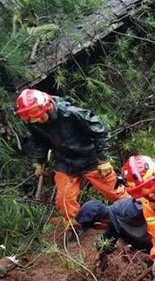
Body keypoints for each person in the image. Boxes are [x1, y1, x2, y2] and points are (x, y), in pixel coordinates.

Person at [16, 88, 128, 221]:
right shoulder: (31, 121)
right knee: (63, 200)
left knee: (115, 191)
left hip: (89, 157)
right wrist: (38, 162)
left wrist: (103, 159)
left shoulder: (70, 113)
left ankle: (135, 213)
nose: (38, 121)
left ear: (47, 107)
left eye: (39, 117)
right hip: (64, 161)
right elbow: (38, 141)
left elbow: (99, 131)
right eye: (34, 120)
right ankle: (75, 227)